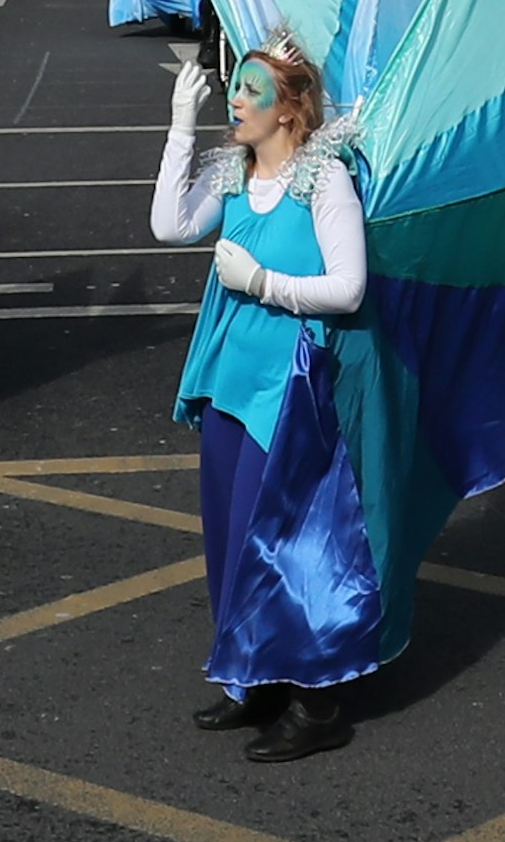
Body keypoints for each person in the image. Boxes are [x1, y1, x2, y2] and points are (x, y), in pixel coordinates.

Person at [152, 41, 368, 763]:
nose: (234, 100)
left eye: (250, 90)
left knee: (285, 543)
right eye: (234, 89)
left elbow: (349, 287)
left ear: (292, 109)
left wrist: (262, 282)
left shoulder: (323, 179)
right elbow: (169, 225)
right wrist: (181, 126)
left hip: (290, 389)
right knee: (230, 536)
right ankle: (257, 676)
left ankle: (317, 701)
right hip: (228, 383)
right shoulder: (233, 171)